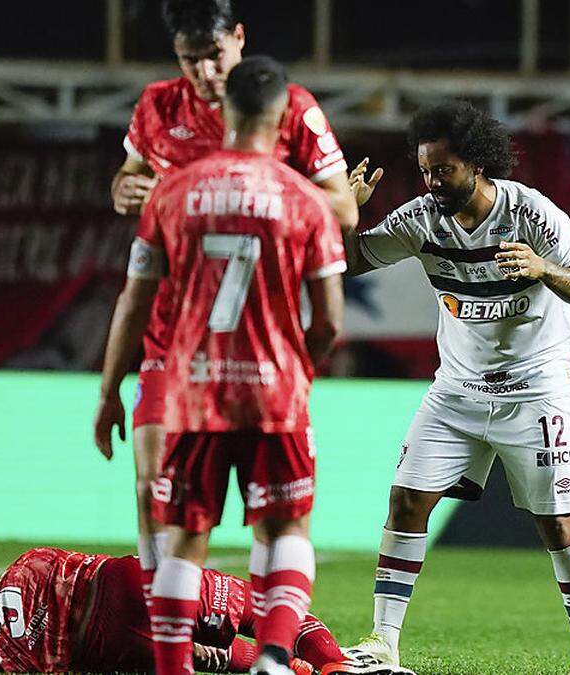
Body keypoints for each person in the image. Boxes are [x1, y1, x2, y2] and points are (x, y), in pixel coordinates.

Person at [95, 56, 347, 675]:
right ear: (285, 116)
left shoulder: (172, 192)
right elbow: (332, 321)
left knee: (183, 533)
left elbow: (137, 299)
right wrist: (297, 365)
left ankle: (174, 667)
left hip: (192, 389)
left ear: (225, 111)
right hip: (274, 391)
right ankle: (273, 655)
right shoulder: (307, 201)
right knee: (285, 529)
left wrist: (109, 389)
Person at [340, 101, 570, 675]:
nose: (434, 182)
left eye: (445, 170)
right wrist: (341, 213)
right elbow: (349, 263)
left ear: (478, 164)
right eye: (426, 171)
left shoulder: (533, 215)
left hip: (537, 387)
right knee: (406, 501)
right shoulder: (422, 219)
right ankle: (383, 643)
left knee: (557, 524)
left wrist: (543, 270)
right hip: (457, 391)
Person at [0, 546, 410, 675]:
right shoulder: (16, 572)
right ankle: (337, 662)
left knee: (224, 661)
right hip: (124, 583)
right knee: (266, 610)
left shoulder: (13, 662)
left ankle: (306, 672)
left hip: (113, 646)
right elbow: (66, 560)